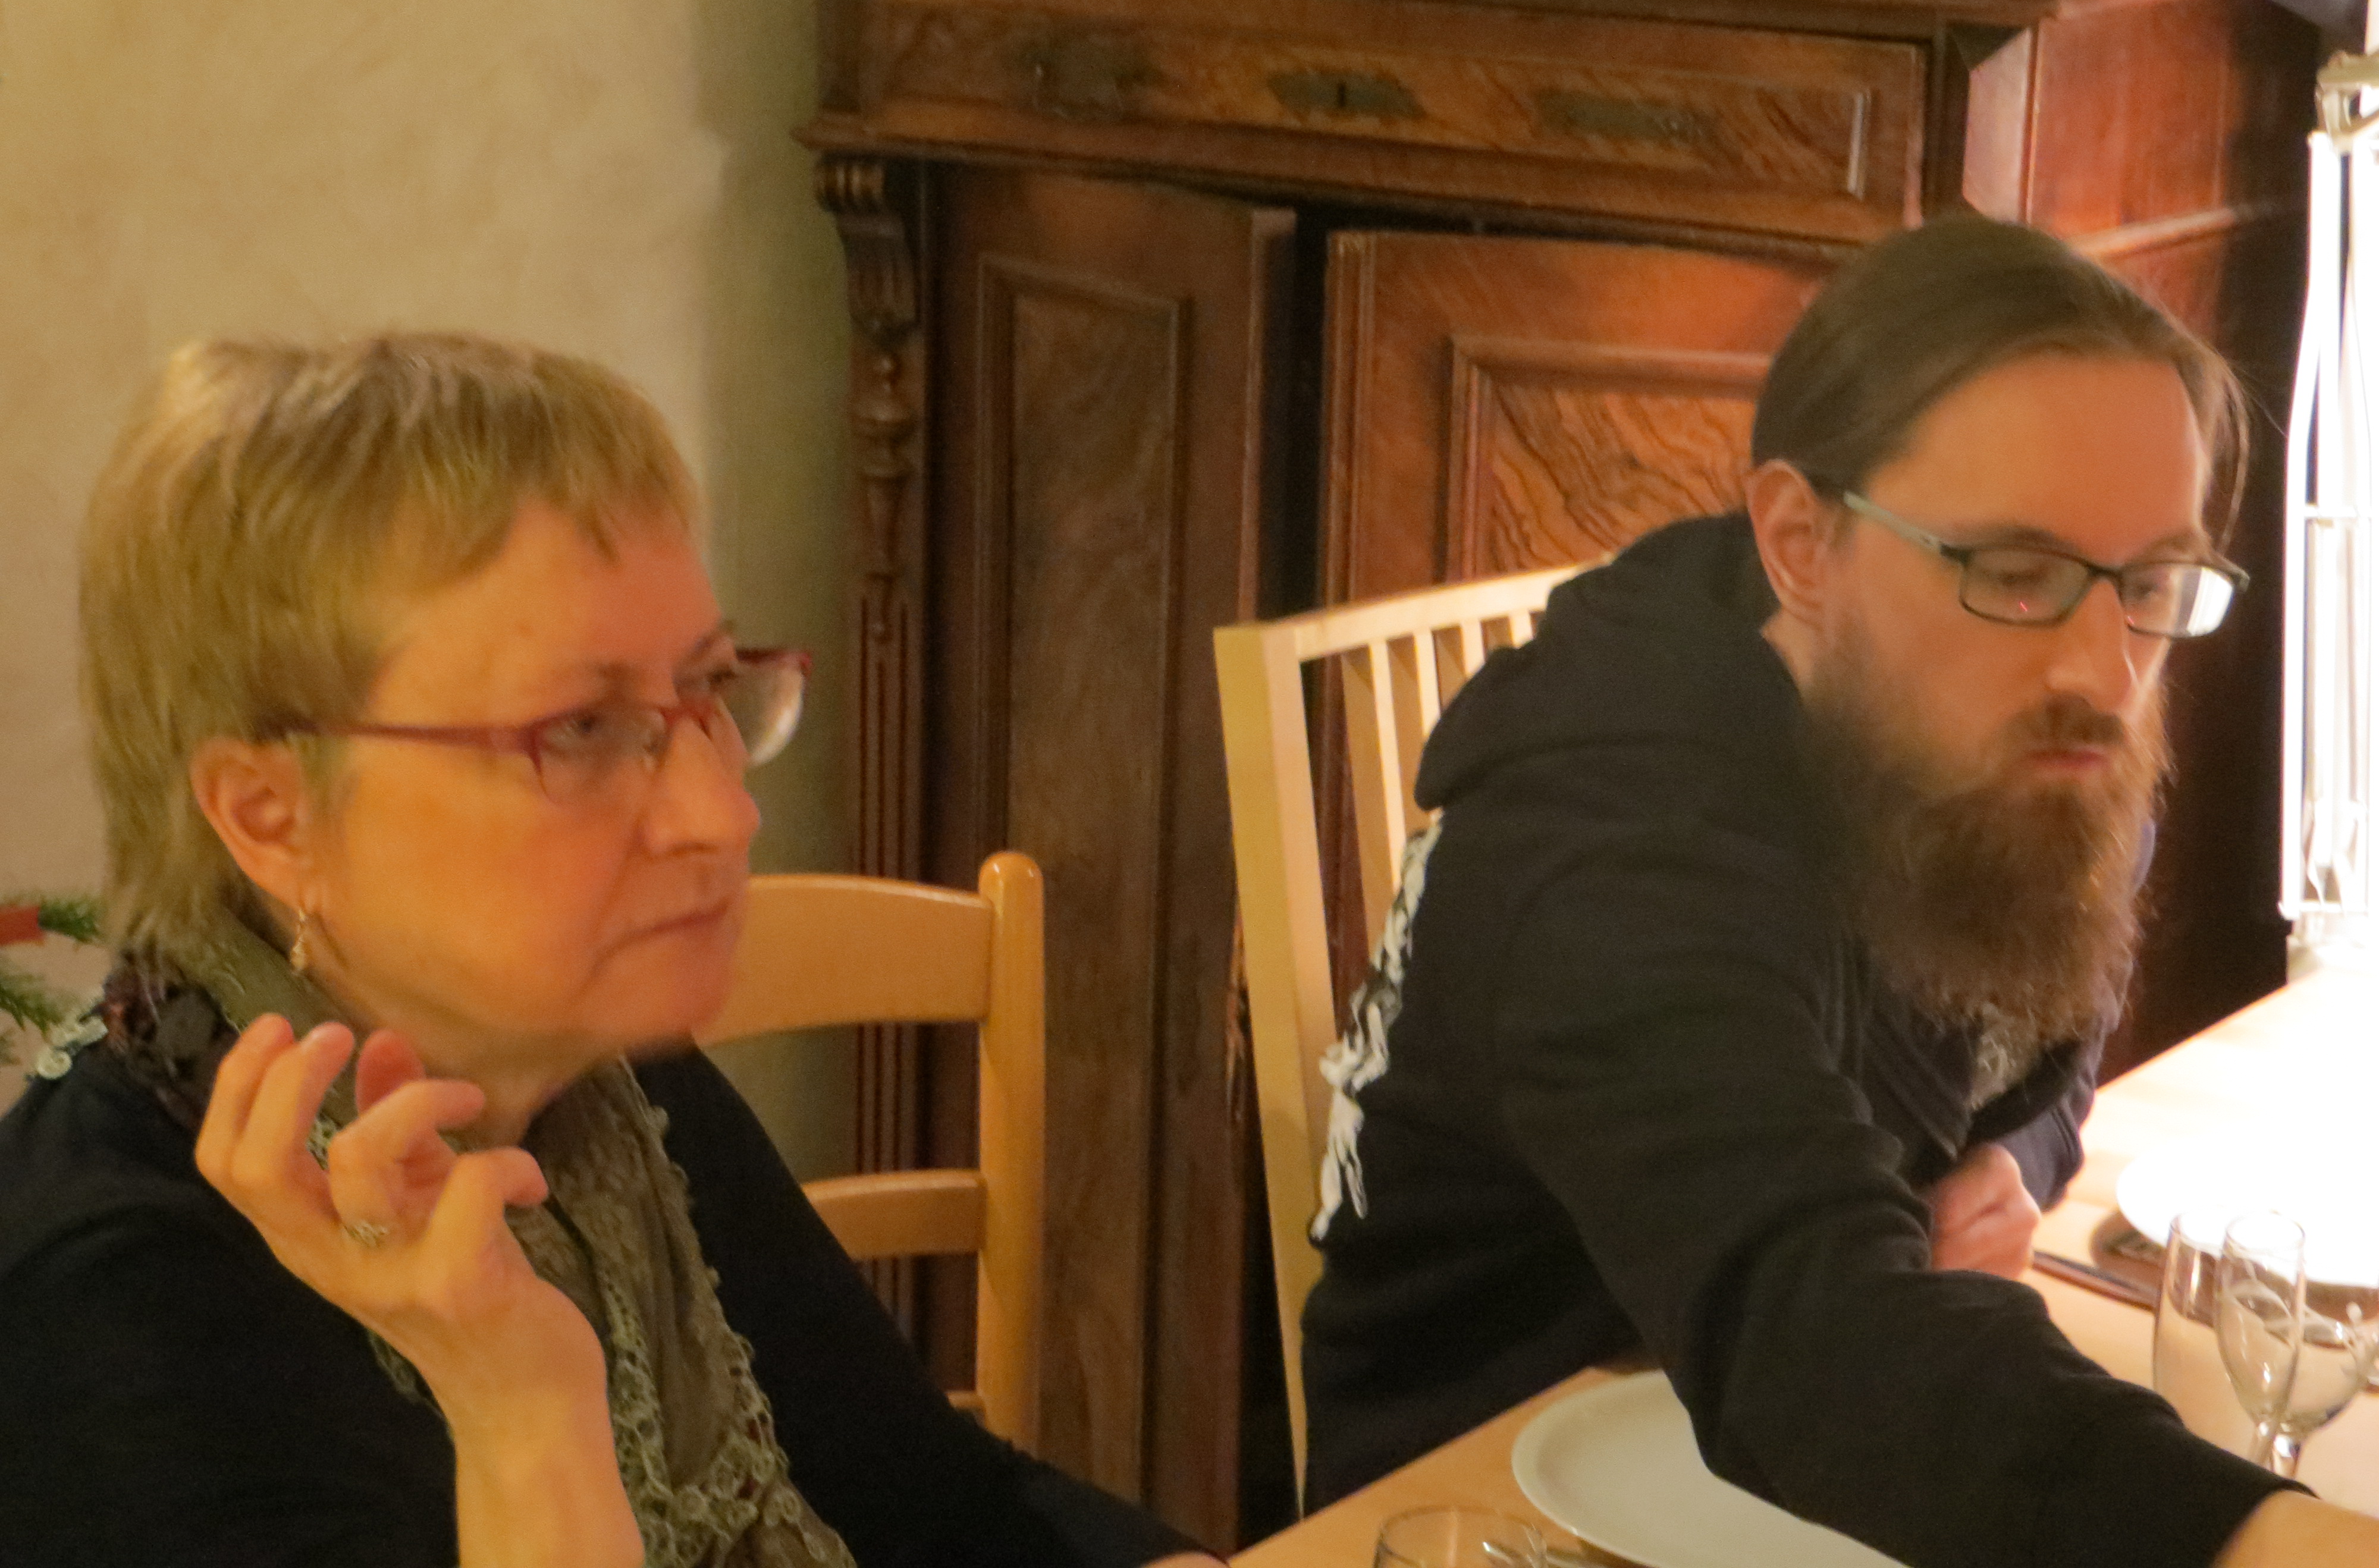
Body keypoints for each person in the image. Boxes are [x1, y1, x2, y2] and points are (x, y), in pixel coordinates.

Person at [0, 334, 1220, 1568]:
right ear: (270, 814)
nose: (721, 814)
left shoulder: (597, 1083)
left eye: (708, 689)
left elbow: (936, 1505)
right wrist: (526, 1409)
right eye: (580, 730)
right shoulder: (112, 1304)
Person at [1299, 219, 2379, 1567]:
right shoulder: (1617, 850)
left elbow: (2054, 1014)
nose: (2105, 673)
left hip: (1809, 1467)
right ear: (1801, 543)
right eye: (2015, 575)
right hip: (1490, 1508)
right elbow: (1816, 1336)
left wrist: (2019, 1157)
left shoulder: (2006, 732)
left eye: (2151, 582)